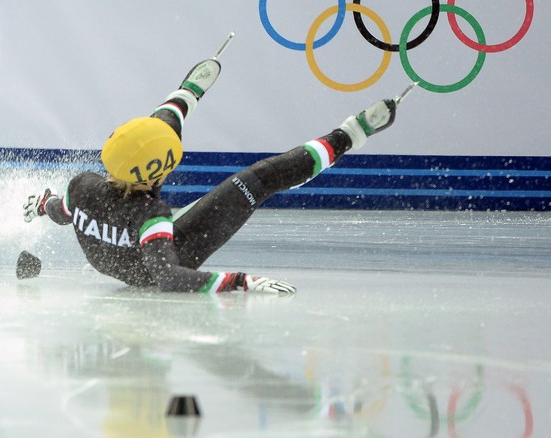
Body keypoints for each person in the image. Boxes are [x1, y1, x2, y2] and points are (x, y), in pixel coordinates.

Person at [23, 54, 411, 294]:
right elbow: (169, 278)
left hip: (116, 253)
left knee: (150, 139)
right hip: (158, 260)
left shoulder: (80, 186)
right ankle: (350, 135)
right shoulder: (151, 216)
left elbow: (64, 212)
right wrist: (241, 282)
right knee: (256, 180)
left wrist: (45, 205)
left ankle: (188, 92)